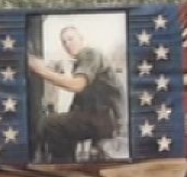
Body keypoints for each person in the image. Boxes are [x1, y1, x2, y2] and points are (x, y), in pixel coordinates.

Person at [27, 26, 124, 162]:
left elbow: (76, 85)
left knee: (50, 123)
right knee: (65, 122)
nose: (67, 44)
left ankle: (62, 168)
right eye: (64, 42)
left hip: (104, 119)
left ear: (82, 39)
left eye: (71, 39)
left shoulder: (90, 53)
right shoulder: (81, 61)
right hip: (104, 119)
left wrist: (41, 71)